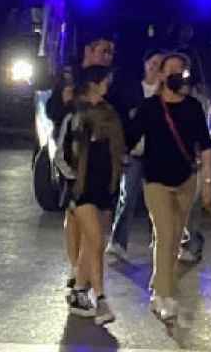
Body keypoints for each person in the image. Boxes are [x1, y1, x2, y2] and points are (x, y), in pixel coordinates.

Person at [124, 52, 211, 323]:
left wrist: (208, 183)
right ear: (161, 75)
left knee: (175, 237)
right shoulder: (150, 107)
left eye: (182, 71)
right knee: (164, 234)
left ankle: (159, 279)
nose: (178, 76)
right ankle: (164, 296)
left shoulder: (193, 107)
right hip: (156, 181)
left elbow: (206, 146)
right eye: (172, 71)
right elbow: (128, 138)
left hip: (186, 180)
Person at [45, 34, 114, 299]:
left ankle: (83, 276)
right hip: (74, 157)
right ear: (89, 50)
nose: (108, 56)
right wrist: (64, 102)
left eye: (111, 52)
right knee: (75, 216)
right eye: (104, 50)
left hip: (100, 160)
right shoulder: (69, 77)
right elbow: (53, 111)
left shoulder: (107, 81)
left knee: (96, 223)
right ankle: (78, 272)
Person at [64, 65, 125, 326]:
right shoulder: (75, 115)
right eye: (104, 82)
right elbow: (62, 153)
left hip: (105, 186)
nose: (107, 87)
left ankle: (79, 291)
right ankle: (101, 299)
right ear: (94, 84)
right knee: (97, 241)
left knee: (92, 244)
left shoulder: (109, 114)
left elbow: (119, 148)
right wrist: (72, 180)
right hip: (82, 189)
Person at [107, 51, 164, 260]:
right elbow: (121, 118)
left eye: (160, 64)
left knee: (157, 200)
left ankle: (159, 239)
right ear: (145, 64)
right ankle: (118, 241)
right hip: (134, 152)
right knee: (127, 197)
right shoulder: (131, 90)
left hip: (157, 154)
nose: (155, 67)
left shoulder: (166, 92)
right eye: (153, 62)